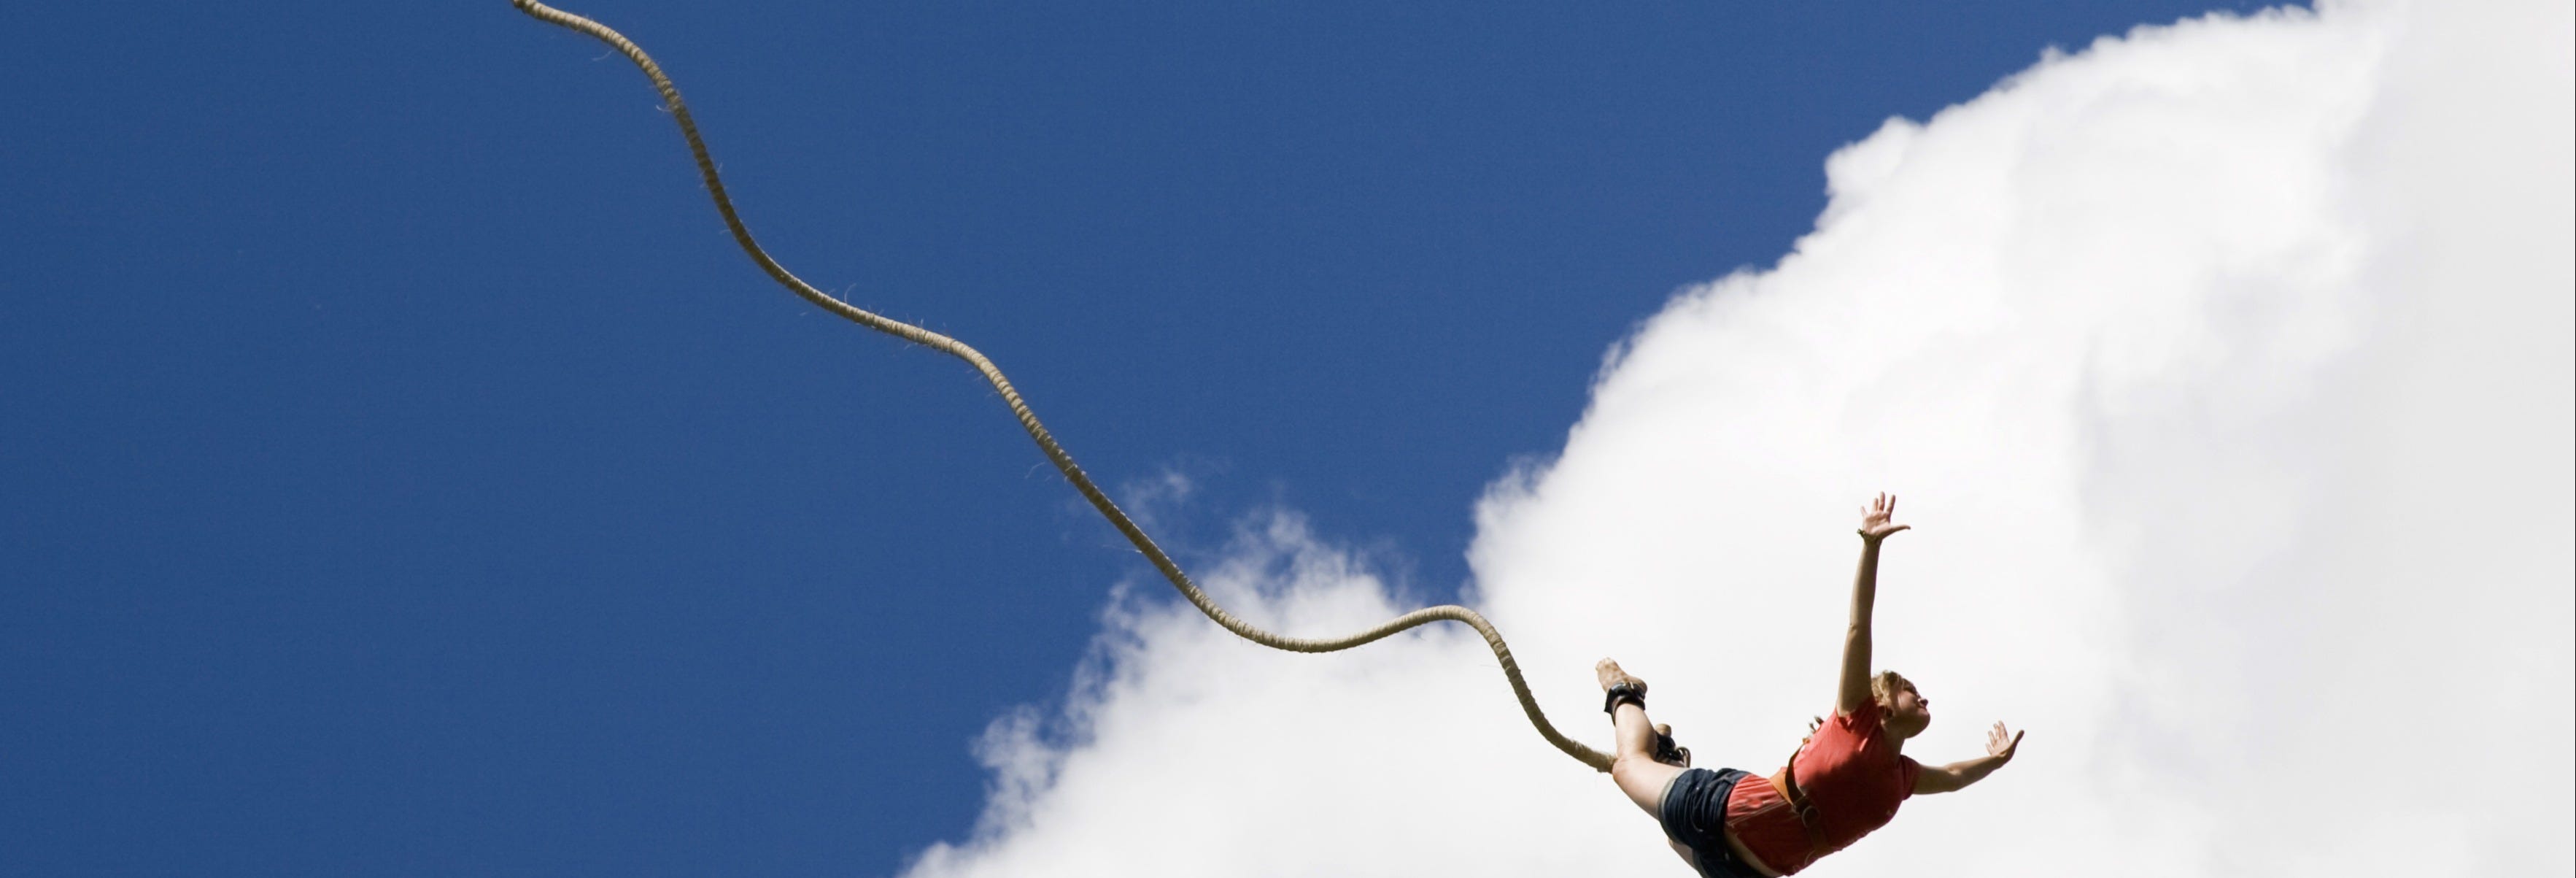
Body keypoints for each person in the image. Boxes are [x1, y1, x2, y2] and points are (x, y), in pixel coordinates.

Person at [1597, 493, 2023, 877]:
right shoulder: (1855, 719)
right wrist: (1870, 547)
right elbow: (1860, 625)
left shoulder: (1902, 778)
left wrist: (1996, 761)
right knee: (1626, 766)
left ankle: (1668, 760)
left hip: (1742, 873)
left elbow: (1951, 776)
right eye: (1911, 689)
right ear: (1884, 704)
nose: (1924, 696)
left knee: (1673, 836)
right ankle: (1624, 691)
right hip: (1716, 810)